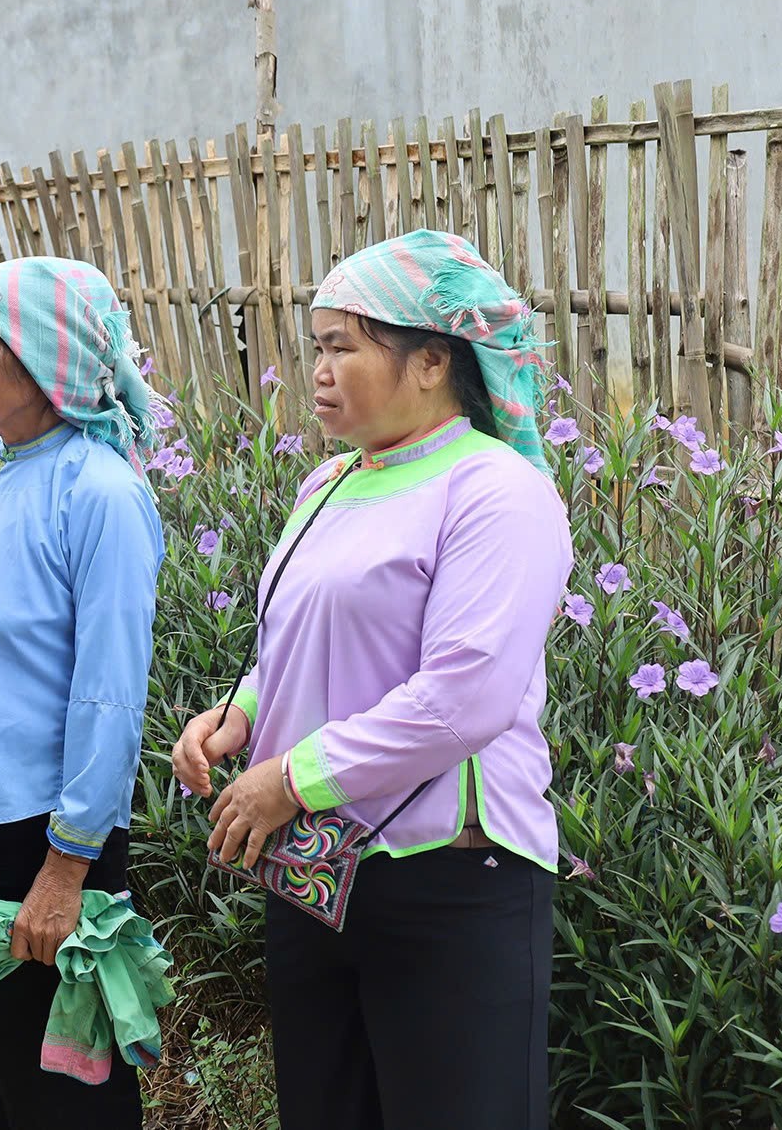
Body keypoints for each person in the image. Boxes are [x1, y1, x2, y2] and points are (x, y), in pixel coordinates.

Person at [171, 229, 573, 1130]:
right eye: (317, 346)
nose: (319, 369)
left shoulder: (495, 492)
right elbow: (301, 643)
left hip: (447, 882)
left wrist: (288, 778)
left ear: (432, 359)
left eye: (343, 346)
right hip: (317, 871)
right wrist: (238, 718)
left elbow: (463, 697)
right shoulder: (329, 482)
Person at [0, 256, 166, 1130]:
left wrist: (67, 865)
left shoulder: (102, 494)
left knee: (58, 1096)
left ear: (39, 358)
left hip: (43, 841)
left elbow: (109, 694)